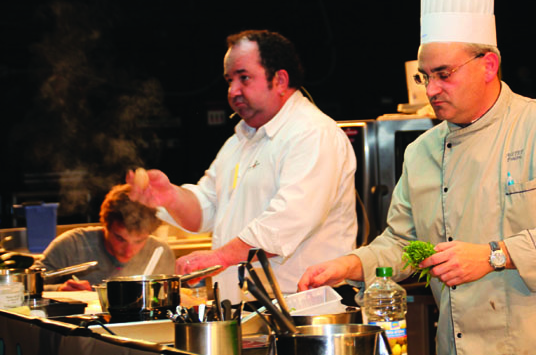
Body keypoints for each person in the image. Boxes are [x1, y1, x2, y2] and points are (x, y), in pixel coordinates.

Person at [298, 0, 536, 355]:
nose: (431, 90)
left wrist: (493, 255)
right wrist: (349, 265)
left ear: (489, 65)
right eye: (424, 76)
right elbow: (405, 243)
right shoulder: (422, 153)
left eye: (443, 74)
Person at [127, 29, 357, 304]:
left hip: (306, 308)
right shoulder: (239, 142)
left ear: (280, 80)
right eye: (229, 80)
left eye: (244, 78)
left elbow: (287, 222)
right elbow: (206, 209)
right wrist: (171, 197)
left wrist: (218, 257)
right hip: (247, 307)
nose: (233, 90)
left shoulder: (312, 133)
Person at [40, 183, 175, 291]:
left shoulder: (159, 252)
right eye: (120, 239)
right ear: (105, 226)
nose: (128, 251)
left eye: (139, 241)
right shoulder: (72, 245)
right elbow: (24, 289)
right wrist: (59, 289)